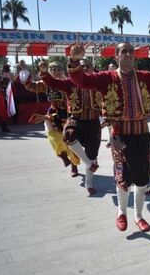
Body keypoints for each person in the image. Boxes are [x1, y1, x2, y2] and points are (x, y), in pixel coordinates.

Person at [67, 42, 150, 233]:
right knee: (123, 176)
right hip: (120, 136)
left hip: (142, 134)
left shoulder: (143, 77)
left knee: (143, 178)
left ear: (134, 57)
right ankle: (121, 212)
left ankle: (139, 216)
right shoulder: (106, 78)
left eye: (130, 52)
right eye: (123, 52)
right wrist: (75, 60)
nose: (127, 54)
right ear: (116, 57)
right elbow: (81, 81)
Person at [36, 59, 103, 195]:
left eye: (86, 66)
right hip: (75, 119)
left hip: (93, 122)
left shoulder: (99, 81)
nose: (82, 69)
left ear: (91, 68)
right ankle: (89, 164)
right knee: (68, 135)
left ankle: (89, 183)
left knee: (92, 154)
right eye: (79, 67)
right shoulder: (69, 83)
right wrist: (44, 72)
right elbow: (52, 82)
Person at [21, 61, 80, 176]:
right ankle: (63, 156)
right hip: (53, 114)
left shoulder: (68, 82)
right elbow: (30, 86)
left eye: (59, 70)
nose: (56, 72)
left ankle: (74, 165)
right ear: (49, 71)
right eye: (53, 70)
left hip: (69, 114)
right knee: (54, 139)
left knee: (71, 140)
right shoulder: (45, 83)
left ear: (63, 71)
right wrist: (24, 70)